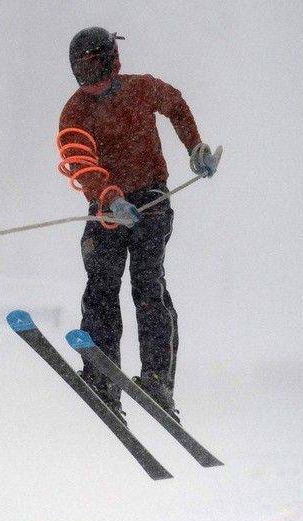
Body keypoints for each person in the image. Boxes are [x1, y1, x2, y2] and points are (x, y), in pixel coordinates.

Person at [58, 27, 219, 421]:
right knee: (100, 284)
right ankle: (102, 375)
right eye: (79, 70)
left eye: (93, 66)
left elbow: (176, 104)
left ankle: (157, 379)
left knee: (148, 283)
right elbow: (79, 160)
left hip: (151, 200)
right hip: (107, 208)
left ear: (112, 59)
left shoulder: (141, 89)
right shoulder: (75, 110)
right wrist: (108, 196)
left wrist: (194, 146)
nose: (87, 78)